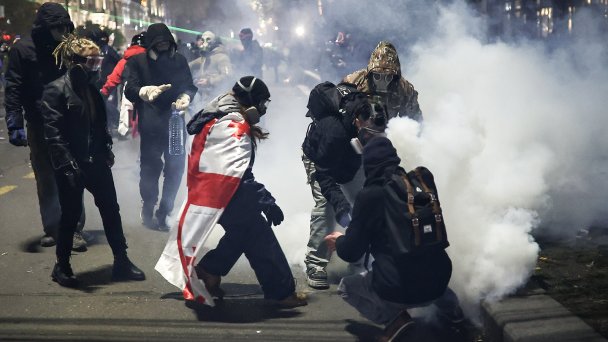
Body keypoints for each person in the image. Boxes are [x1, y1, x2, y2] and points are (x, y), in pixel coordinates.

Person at [155, 76, 306, 308]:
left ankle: (209, 272)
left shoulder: (222, 113)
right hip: (225, 192)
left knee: (243, 233)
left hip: (218, 192)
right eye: (262, 103)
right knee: (259, 235)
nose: (264, 109)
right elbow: (238, 173)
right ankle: (281, 293)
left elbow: (235, 171)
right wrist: (265, 201)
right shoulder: (231, 125)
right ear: (251, 101)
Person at [324, 136, 464, 341]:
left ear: (368, 165)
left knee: (346, 287)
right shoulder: (417, 186)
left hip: (398, 287)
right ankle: (453, 312)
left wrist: (338, 242)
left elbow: (352, 251)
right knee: (429, 266)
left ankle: (395, 320)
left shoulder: (369, 196)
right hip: (439, 281)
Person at [41, 35, 145, 288]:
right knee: (70, 215)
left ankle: (121, 261)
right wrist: (66, 164)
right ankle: (61, 266)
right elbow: (53, 134)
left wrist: (106, 147)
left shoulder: (90, 89)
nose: (97, 65)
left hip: (95, 160)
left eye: (98, 59)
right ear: (75, 62)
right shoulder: (55, 89)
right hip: (72, 164)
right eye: (91, 60)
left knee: (111, 209)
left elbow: (99, 123)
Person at [4, 2, 87, 250]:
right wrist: (14, 122)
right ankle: (53, 228)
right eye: (57, 27)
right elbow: (14, 87)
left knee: (71, 176)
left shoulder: (70, 48)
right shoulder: (23, 49)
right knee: (46, 178)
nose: (62, 32)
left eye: (65, 26)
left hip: (69, 122)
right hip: (40, 124)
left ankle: (73, 230)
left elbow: (85, 83)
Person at [302, 88, 387, 289]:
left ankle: (357, 258)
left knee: (363, 200)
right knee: (326, 207)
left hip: (351, 160)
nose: (370, 138)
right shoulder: (334, 132)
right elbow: (326, 176)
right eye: (367, 133)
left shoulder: (375, 120)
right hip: (320, 159)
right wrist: (340, 205)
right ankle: (315, 263)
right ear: (358, 120)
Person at [124, 23, 197, 230]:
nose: (163, 46)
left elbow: (189, 85)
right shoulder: (138, 61)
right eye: (159, 43)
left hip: (174, 122)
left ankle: (165, 210)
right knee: (150, 168)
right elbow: (130, 88)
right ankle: (148, 204)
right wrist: (143, 92)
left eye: (166, 42)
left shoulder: (179, 60)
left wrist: (185, 97)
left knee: (175, 167)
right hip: (151, 123)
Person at [343, 41, 422, 120]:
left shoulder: (404, 89)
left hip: (388, 129)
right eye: (377, 76)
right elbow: (337, 108)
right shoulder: (354, 81)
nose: (382, 82)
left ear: (394, 77)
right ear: (371, 74)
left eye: (388, 77)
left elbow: (415, 119)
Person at [101, 32, 146, 137]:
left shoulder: (124, 60)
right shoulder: (150, 58)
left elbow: (113, 78)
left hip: (127, 95)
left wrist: (104, 93)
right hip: (147, 98)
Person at [188, 31, 232, 104]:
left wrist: (209, 81)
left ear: (214, 42)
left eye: (208, 39)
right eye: (203, 39)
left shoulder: (222, 57)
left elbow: (228, 76)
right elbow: (190, 65)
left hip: (218, 97)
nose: (204, 42)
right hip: (205, 96)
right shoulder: (205, 57)